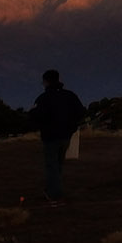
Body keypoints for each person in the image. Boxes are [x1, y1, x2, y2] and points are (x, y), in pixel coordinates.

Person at [30, 69, 86, 203]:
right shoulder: (70, 96)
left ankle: (54, 194)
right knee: (58, 164)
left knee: (51, 166)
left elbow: (35, 116)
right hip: (66, 136)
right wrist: (72, 127)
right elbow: (80, 112)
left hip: (50, 137)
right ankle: (53, 189)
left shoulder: (43, 99)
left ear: (45, 81)